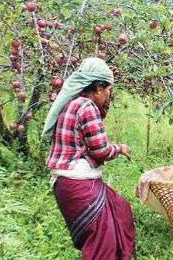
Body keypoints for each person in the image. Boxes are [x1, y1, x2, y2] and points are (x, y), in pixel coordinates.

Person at [42, 58, 135, 260]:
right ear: (99, 87)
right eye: (109, 90)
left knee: (120, 209)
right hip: (78, 184)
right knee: (103, 243)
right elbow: (100, 150)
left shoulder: (72, 104)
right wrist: (119, 149)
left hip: (67, 183)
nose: (109, 96)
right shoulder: (87, 106)